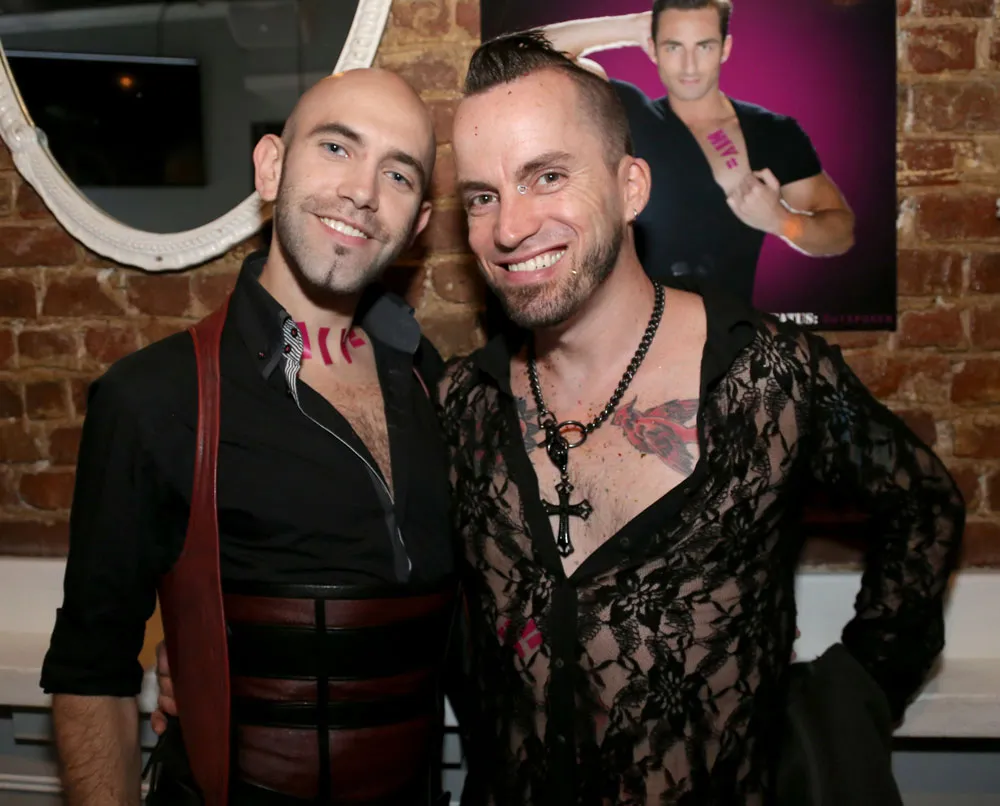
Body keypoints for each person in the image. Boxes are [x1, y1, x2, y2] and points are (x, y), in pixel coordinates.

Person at [153, 34, 963, 806]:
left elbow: (924, 504)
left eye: (546, 176)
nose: (509, 229)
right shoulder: (462, 406)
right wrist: (202, 651)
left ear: (631, 186)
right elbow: (373, 567)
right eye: (483, 196)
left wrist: (854, 694)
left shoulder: (765, 376)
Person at [40, 68, 459, 806]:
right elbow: (90, 674)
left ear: (418, 222)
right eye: (337, 148)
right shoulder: (155, 398)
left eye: (398, 174)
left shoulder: (436, 385)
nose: (363, 191)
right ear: (270, 168)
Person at [539, 0, 856, 304]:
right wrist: (631, 26)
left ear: (725, 48)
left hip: (728, 334)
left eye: (704, 46)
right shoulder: (628, 112)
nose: (689, 65)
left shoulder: (772, 133)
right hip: (636, 331)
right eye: (673, 46)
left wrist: (782, 221)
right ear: (652, 48)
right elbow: (529, 55)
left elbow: (841, 233)